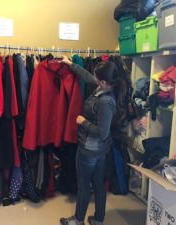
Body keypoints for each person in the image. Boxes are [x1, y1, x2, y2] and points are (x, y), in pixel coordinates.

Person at [59, 55, 127, 225]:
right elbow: (88, 77)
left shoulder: (105, 101)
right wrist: (71, 64)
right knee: (97, 184)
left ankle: (78, 220)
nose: (94, 78)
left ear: (103, 82)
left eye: (97, 77)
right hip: (99, 150)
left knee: (84, 186)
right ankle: (98, 219)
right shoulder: (103, 89)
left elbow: (102, 132)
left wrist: (83, 122)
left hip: (90, 150)